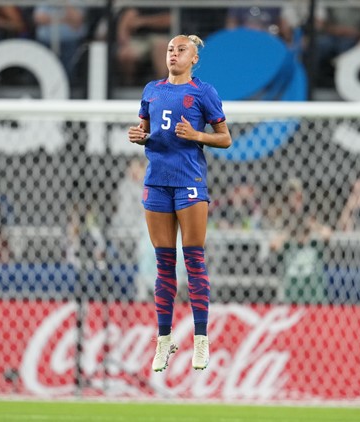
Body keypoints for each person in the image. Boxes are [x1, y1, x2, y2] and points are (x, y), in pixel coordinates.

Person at [127, 34, 232, 372]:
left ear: (194, 58)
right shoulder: (151, 91)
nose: (173, 54)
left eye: (181, 50)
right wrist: (138, 135)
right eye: (171, 49)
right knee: (163, 265)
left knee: (195, 260)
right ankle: (164, 341)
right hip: (156, 182)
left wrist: (198, 135)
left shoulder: (204, 92)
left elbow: (225, 138)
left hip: (189, 182)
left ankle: (201, 340)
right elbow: (146, 130)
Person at [116, 8, 171, 86]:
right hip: (139, 39)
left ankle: (161, 86)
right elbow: (126, 22)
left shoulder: (165, 5)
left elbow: (169, 19)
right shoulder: (136, 6)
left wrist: (142, 21)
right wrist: (124, 39)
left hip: (161, 37)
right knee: (125, 54)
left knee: (161, 47)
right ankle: (129, 84)